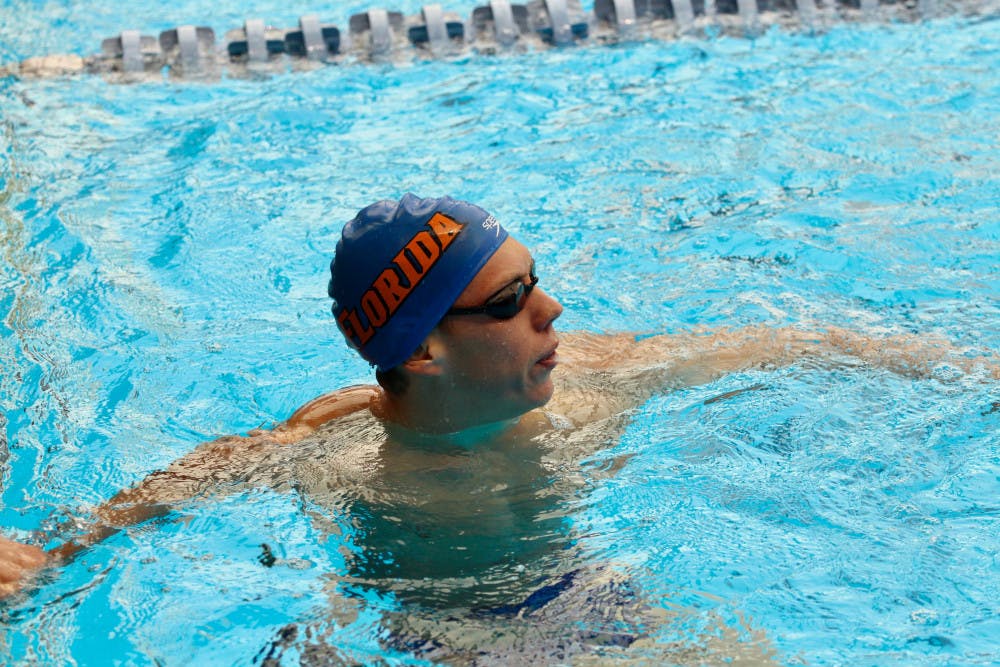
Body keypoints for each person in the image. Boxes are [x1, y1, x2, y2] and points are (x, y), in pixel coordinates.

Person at [1, 194, 993, 661]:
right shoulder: (344, 454)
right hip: (440, 631)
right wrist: (47, 554)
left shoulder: (597, 382)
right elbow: (190, 483)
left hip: (586, 595)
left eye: (536, 280)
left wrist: (959, 369)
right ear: (422, 349)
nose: (553, 310)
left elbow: (782, 343)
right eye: (512, 299)